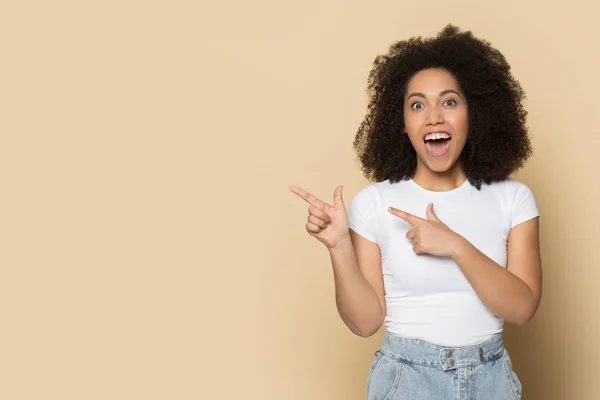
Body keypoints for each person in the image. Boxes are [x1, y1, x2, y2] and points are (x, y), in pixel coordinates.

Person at [289, 24, 541, 400]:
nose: (434, 117)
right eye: (417, 104)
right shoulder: (374, 203)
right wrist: (339, 246)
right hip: (406, 380)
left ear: (476, 114)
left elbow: (522, 308)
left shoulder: (513, 199)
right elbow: (365, 323)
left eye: (450, 101)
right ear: (402, 124)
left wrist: (455, 245)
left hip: (491, 381)